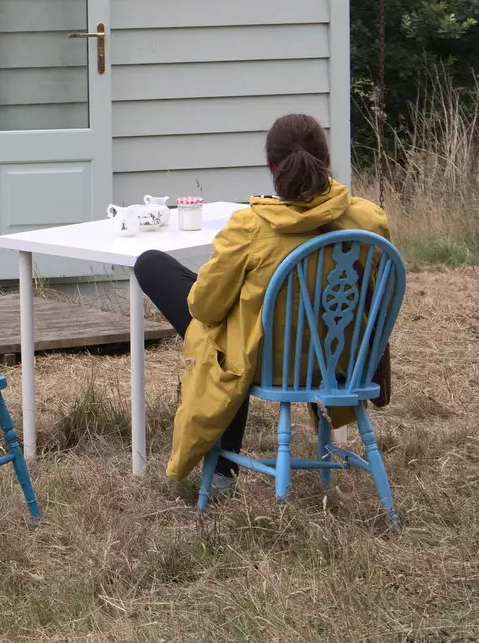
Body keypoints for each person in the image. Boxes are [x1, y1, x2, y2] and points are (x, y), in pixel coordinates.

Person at [134, 113, 389, 495]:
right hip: (340, 365)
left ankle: (222, 468)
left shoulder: (249, 227)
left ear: (272, 167)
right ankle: (223, 464)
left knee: (164, 276)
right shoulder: (369, 220)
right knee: (232, 318)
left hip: (264, 364)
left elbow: (203, 309)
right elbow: (381, 303)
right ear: (328, 161)